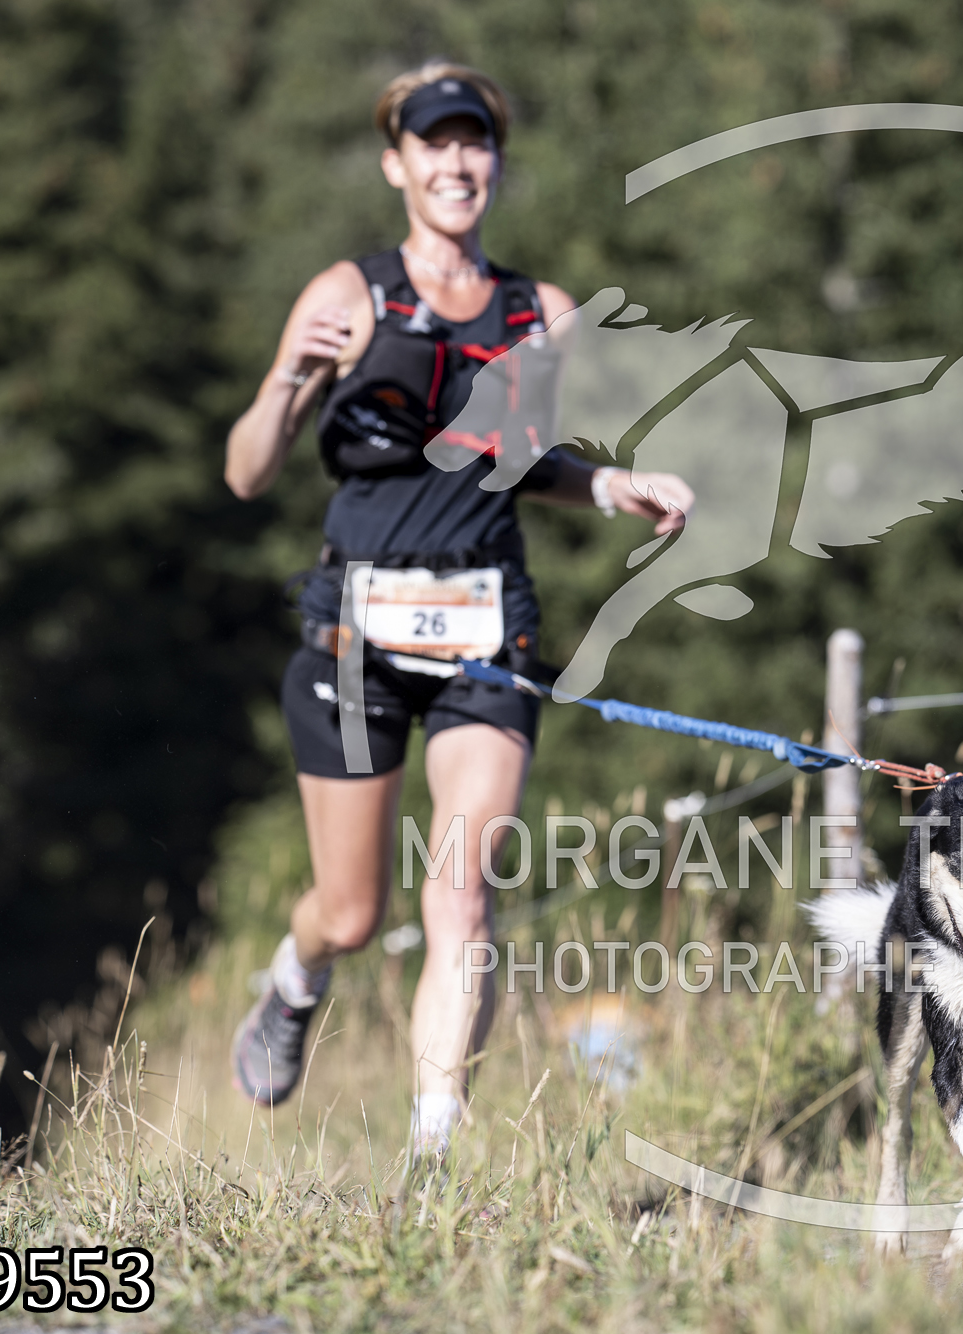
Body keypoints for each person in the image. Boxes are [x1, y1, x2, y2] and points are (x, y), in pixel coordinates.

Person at [222, 63, 690, 1152]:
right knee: (351, 912)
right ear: (396, 165)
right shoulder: (351, 296)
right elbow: (246, 473)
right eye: (432, 143)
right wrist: (289, 378)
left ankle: (435, 1150)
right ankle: (294, 981)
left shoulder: (541, 314)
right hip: (356, 631)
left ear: (496, 162)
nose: (456, 162)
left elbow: (518, 461)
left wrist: (610, 485)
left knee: (462, 892)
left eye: (473, 141)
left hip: (488, 623)